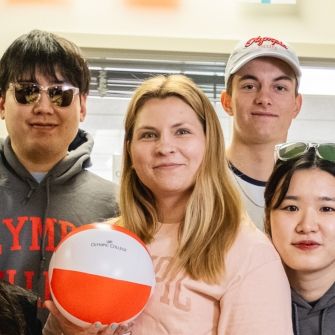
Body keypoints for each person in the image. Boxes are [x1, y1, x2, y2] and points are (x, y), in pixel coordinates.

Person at [45, 74, 293, 334]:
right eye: (149, 134)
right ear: (130, 149)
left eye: (182, 132)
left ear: (210, 143)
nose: (165, 147)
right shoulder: (96, 243)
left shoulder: (250, 254)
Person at [0, 30, 119, 323]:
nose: (43, 107)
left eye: (60, 94)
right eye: (26, 92)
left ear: (82, 105)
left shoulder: (117, 206)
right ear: (2, 103)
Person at [221, 35, 303, 229]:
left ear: (296, 105)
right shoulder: (202, 179)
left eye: (279, 87)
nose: (264, 98)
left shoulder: (317, 187)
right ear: (227, 102)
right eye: (249, 86)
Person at [264, 142, 335, 334]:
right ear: (268, 218)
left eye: (327, 209)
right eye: (291, 208)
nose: (307, 226)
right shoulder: (243, 296)